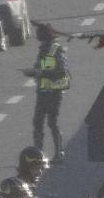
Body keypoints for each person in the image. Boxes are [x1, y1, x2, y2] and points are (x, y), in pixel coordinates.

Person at [23, 23, 70, 164]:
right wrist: (34, 72)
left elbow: (59, 70)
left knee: (52, 122)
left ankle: (59, 152)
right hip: (43, 91)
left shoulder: (55, 49)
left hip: (53, 92)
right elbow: (43, 68)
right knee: (38, 122)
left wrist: (38, 72)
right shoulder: (43, 49)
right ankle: (38, 155)